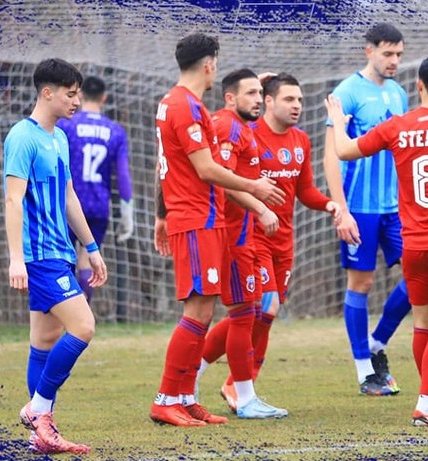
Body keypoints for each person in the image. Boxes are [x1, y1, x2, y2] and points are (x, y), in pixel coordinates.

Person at [325, 55, 428, 426]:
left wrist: (338, 123)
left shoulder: (397, 126)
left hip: (414, 243)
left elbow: (345, 150)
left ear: (418, 85)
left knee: (422, 325)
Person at [150, 33, 285, 427]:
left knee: (205, 312)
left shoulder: (181, 104)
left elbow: (167, 164)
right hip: (196, 218)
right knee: (197, 311)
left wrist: (161, 214)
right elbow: (205, 169)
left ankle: (186, 396)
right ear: (209, 64)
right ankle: (165, 398)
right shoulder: (184, 106)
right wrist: (254, 187)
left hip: (196, 217)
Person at [206, 73, 342, 411]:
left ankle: (231, 382)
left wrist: (330, 204)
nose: (297, 106)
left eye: (299, 100)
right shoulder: (248, 133)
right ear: (268, 101)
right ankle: (235, 385)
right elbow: (226, 178)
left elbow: (305, 190)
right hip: (253, 234)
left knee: (262, 314)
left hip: (284, 239)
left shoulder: (300, 141)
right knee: (262, 307)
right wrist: (259, 207)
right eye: (288, 99)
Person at [4, 58, 107, 454]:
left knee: (44, 341)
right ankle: (39, 409)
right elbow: (13, 200)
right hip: (39, 254)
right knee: (83, 327)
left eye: (79, 92)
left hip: (61, 251)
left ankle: (40, 437)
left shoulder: (60, 138)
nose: (77, 100)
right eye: (70, 92)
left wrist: (91, 247)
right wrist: (17, 258)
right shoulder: (22, 137)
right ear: (47, 93)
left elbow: (67, 197)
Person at [188, 68, 288, 419]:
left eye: (260, 94)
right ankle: (242, 397)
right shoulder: (229, 126)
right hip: (233, 236)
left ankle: (199, 383)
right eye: (250, 94)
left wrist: (252, 83)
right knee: (244, 313)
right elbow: (222, 180)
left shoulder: (234, 123)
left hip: (242, 235)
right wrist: (260, 206)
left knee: (250, 312)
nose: (258, 100)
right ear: (230, 97)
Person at [323, 22, 410, 396]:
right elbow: (330, 155)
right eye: (387, 53)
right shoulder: (347, 92)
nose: (393, 61)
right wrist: (341, 209)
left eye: (398, 55)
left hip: (395, 207)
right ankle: (363, 369)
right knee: (362, 283)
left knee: (421, 276)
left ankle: (377, 344)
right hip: (359, 206)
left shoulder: (399, 93)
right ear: (369, 51)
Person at [57, 76, 133, 302]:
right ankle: (83, 313)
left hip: (68, 202)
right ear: (104, 98)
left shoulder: (66, 125)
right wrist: (127, 211)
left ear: (80, 95)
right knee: (88, 258)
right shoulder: (115, 131)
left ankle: (68, 315)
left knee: (64, 260)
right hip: (99, 205)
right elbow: (123, 174)